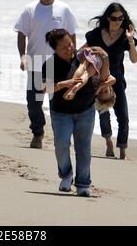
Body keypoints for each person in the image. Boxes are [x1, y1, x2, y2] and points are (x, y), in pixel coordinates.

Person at [14, 0, 77, 149]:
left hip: (59, 63)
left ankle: (63, 136)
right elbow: (21, 34)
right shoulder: (30, 9)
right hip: (36, 62)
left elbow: (71, 34)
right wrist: (22, 56)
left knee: (58, 101)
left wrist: (74, 57)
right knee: (34, 102)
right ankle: (38, 132)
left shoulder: (64, 9)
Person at [42, 29, 108, 197]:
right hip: (61, 112)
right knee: (61, 144)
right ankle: (66, 175)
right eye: (64, 47)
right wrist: (67, 83)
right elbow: (43, 88)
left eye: (70, 44)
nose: (69, 49)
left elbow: (105, 77)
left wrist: (105, 58)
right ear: (55, 49)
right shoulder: (49, 64)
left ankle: (83, 184)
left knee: (83, 148)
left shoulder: (83, 58)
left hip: (86, 109)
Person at [85, 3, 137, 159]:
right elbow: (85, 52)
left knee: (123, 116)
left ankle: (122, 150)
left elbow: (134, 60)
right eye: (114, 18)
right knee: (103, 112)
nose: (117, 21)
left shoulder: (124, 36)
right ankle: (108, 142)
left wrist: (130, 41)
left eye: (121, 18)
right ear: (108, 18)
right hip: (98, 79)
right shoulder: (95, 35)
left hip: (117, 80)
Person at [63, 47, 117, 115]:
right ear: (111, 89)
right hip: (98, 62)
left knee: (84, 72)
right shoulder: (107, 79)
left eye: (100, 93)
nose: (102, 90)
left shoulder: (95, 86)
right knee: (98, 76)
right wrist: (100, 87)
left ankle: (75, 87)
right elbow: (113, 80)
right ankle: (73, 88)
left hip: (90, 62)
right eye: (106, 91)